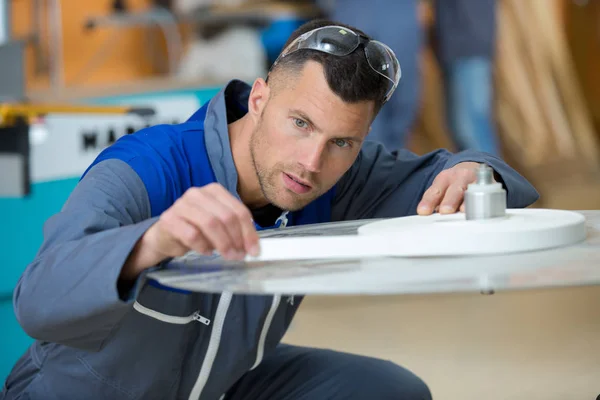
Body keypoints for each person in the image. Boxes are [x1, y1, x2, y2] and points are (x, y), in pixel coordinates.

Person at [2, 19, 538, 400]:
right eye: (300, 123)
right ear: (259, 100)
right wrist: (151, 243)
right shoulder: (149, 166)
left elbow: (467, 168)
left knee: (391, 390)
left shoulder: (342, 174)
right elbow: (38, 299)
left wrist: (477, 175)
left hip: (221, 383)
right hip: (77, 392)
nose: (310, 163)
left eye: (342, 142)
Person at [322, 0, 501, 155]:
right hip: (375, 26)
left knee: (467, 126)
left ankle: (492, 186)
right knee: (366, 112)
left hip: (456, 43)